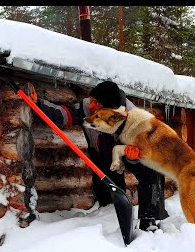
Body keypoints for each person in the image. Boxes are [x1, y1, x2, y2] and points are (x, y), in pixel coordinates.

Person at [30, 80, 169, 231]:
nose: (91, 105)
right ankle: (107, 216)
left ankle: (150, 222)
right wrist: (39, 103)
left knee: (151, 173)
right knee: (107, 187)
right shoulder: (86, 106)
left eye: (96, 103)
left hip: (133, 152)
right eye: (92, 100)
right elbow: (66, 114)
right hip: (101, 153)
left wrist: (132, 157)